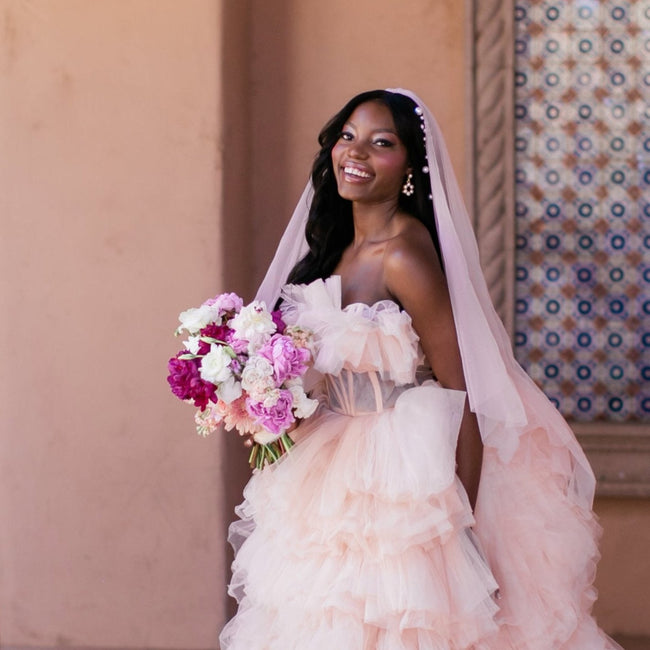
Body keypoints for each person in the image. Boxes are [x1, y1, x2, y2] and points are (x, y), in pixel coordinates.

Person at [219, 89, 620, 649]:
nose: (355, 152)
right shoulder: (333, 249)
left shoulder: (405, 254)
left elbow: (465, 391)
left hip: (402, 472)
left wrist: (465, 526)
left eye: (382, 143)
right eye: (348, 136)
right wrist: (257, 393)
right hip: (327, 464)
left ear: (410, 167)